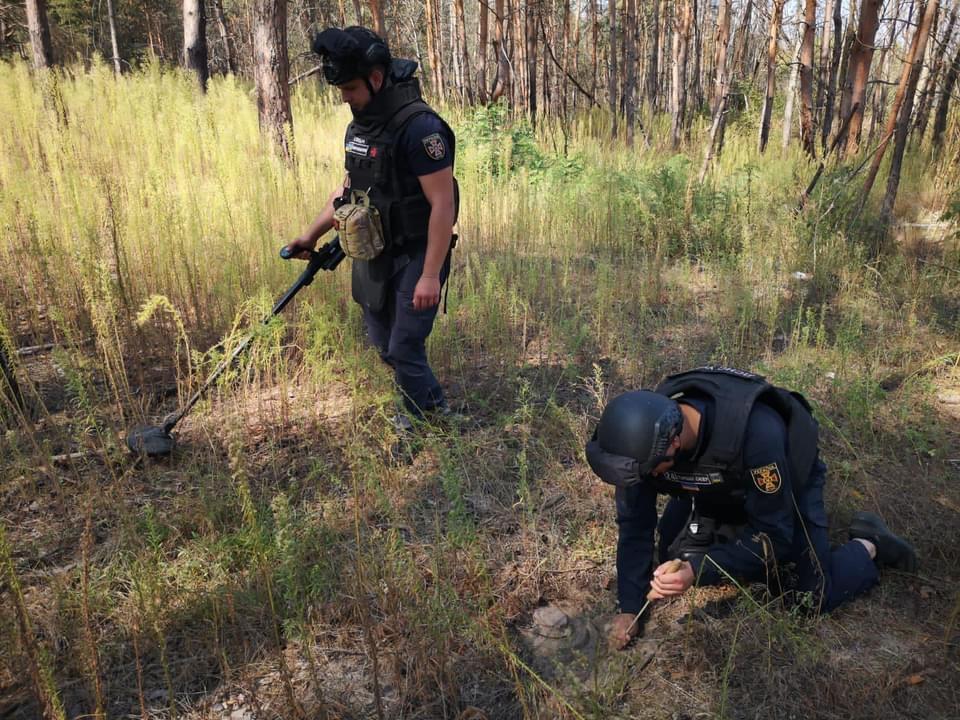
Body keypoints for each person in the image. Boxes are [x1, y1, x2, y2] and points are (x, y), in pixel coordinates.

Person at [585, 366, 917, 650]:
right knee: (676, 553)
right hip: (719, 485)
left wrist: (697, 570)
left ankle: (869, 544)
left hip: (786, 486)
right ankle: (726, 531)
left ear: (674, 442)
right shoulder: (642, 445)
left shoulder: (757, 436)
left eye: (650, 472)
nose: (645, 479)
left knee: (808, 595)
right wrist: (629, 607)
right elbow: (635, 524)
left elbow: (774, 536)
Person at [285, 26, 458, 430]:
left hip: (418, 251)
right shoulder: (361, 127)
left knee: (405, 344)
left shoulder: (421, 129)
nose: (344, 97)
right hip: (374, 249)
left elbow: (443, 204)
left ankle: (419, 422)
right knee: (384, 344)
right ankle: (430, 403)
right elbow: (347, 190)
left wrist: (430, 275)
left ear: (376, 78)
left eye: (350, 88)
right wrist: (311, 235)